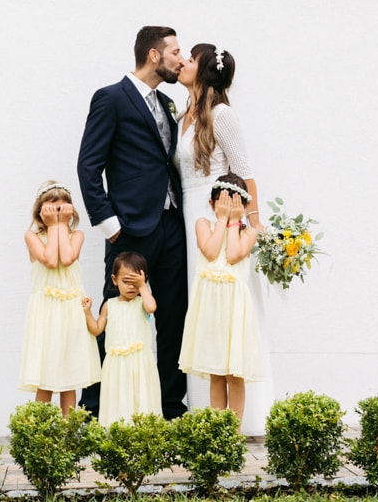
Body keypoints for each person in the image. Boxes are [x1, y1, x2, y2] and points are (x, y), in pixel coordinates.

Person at [76, 25, 188, 420]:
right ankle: (94, 408)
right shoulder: (111, 98)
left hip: (171, 223)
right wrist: (109, 224)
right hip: (129, 229)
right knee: (116, 315)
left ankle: (171, 407)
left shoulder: (168, 103)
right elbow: (89, 165)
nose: (181, 58)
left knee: (174, 314)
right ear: (154, 55)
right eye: (175, 51)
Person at [173, 43, 274, 436]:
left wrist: (252, 221)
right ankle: (207, 414)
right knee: (203, 304)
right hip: (191, 214)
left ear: (204, 71)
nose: (181, 62)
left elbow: (244, 169)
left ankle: (241, 420)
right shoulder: (185, 114)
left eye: (189, 59)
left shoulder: (222, 115)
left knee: (230, 306)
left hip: (219, 211)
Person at [179, 173, 265, 420]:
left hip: (234, 307)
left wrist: (234, 222)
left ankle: (234, 431)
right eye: (222, 202)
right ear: (211, 203)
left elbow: (233, 254)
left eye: (233, 203)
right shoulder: (203, 224)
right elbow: (210, 249)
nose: (227, 207)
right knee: (216, 370)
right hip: (210, 306)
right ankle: (219, 427)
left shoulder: (248, 233)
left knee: (234, 372)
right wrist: (221, 220)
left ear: (244, 205)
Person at [17, 180, 101, 415]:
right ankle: (38, 435)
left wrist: (61, 226)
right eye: (51, 207)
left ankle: (68, 435)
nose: (57, 212)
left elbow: (67, 258)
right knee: (46, 375)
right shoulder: (32, 236)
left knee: (69, 375)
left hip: (70, 310)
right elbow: (51, 260)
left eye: (62, 208)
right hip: (47, 310)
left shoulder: (77, 235)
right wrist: (54, 227)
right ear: (40, 210)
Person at [82, 252, 162, 425]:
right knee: (118, 399)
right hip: (116, 365)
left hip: (139, 363)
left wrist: (143, 287)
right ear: (114, 279)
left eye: (136, 283)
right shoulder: (109, 305)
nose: (131, 287)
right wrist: (87, 313)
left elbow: (152, 306)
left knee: (141, 398)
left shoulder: (142, 303)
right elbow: (96, 329)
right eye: (126, 281)